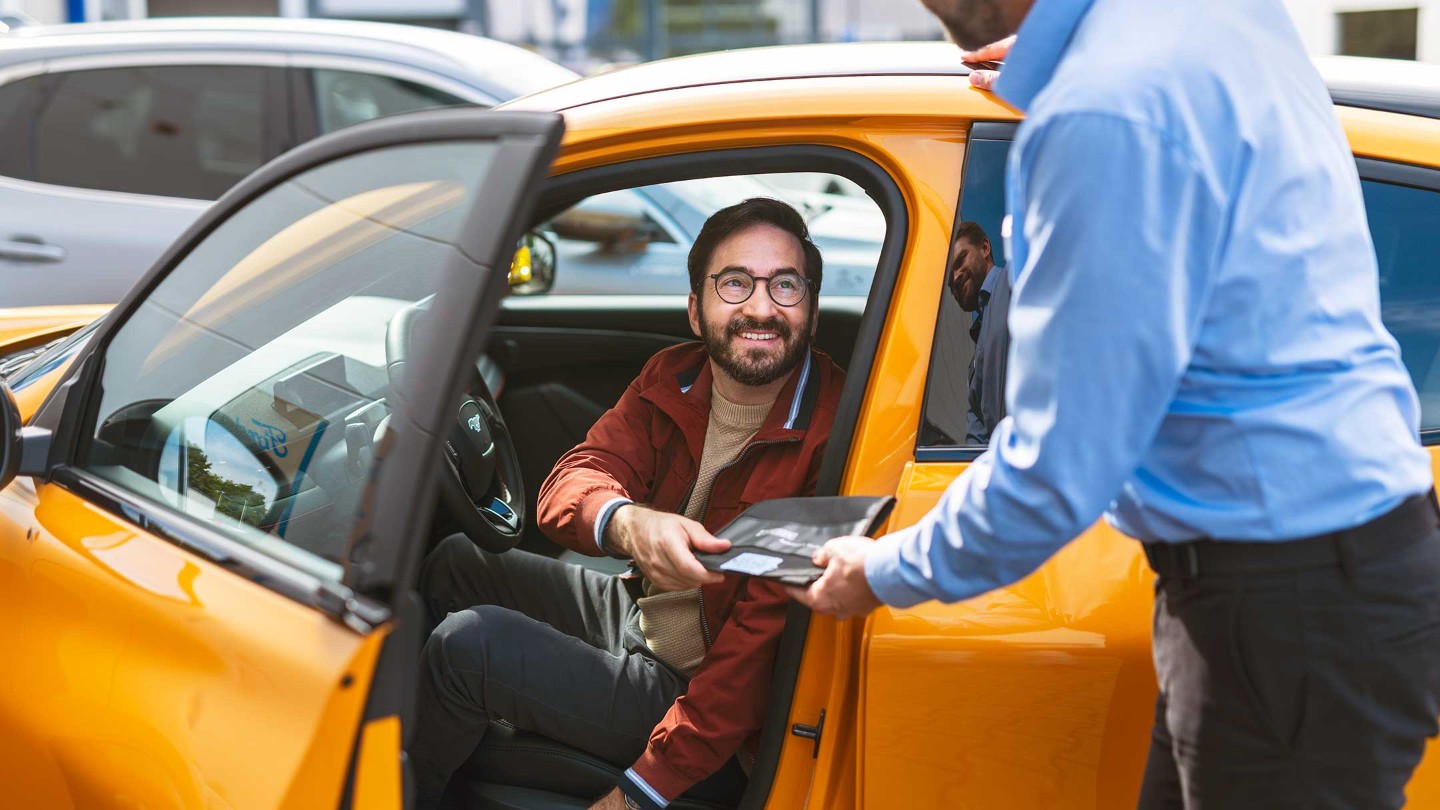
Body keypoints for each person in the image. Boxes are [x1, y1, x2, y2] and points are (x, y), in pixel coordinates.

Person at [792, 1, 1440, 808]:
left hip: (1285, 602)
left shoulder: (1106, 108)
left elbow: (1058, 471)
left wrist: (882, 570)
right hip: (1317, 577)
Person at [411, 197, 847, 810]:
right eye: (734, 283)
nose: (760, 307)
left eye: (785, 285)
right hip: (644, 611)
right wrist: (628, 523)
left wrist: (642, 790)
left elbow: (750, 663)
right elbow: (573, 481)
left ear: (812, 309)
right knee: (455, 561)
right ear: (697, 310)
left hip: (693, 686)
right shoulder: (675, 376)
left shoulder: (835, 436)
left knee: (468, 648)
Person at [947, 221, 1010, 445]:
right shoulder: (976, 359)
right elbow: (977, 440)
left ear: (985, 249)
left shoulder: (1016, 283)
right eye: (949, 281)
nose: (955, 277)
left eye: (960, 260)